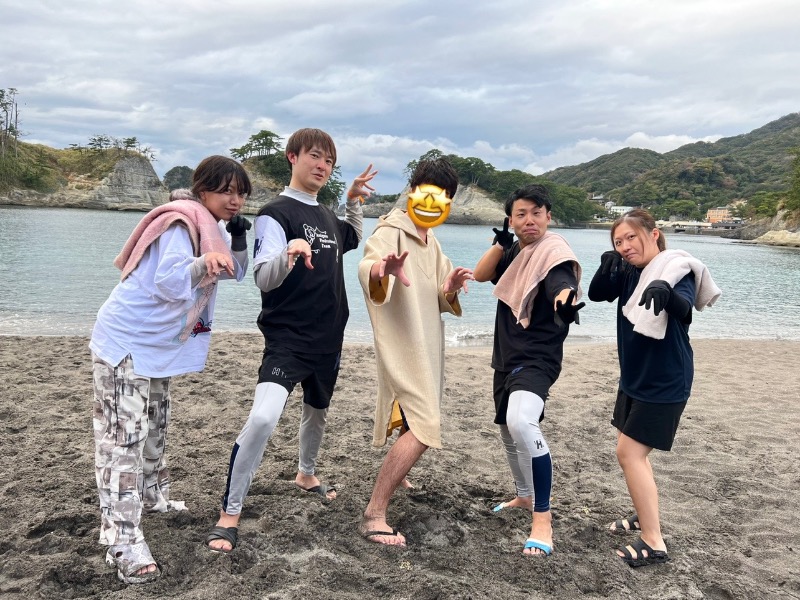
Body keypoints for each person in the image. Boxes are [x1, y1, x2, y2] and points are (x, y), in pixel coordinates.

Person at [206, 128, 377, 553]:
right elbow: (262, 277)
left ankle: (306, 473)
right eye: (315, 157)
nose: (322, 166)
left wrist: (353, 199)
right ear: (293, 157)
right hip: (287, 338)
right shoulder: (274, 214)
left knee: (317, 411)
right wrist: (289, 253)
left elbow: (352, 237)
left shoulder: (327, 216)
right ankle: (230, 513)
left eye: (330, 162)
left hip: (329, 337)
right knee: (264, 418)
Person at [90, 155, 253, 584]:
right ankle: (121, 539)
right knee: (122, 439)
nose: (234, 200)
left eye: (240, 193)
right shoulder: (182, 224)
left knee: (156, 425)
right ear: (203, 191)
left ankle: (151, 496)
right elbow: (168, 280)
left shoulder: (210, 227)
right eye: (226, 191)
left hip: (158, 346)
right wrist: (204, 264)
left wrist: (236, 240)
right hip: (127, 342)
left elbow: (234, 272)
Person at [587, 208, 721, 567]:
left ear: (654, 234)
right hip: (634, 376)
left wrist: (666, 291)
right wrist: (606, 266)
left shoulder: (677, 266)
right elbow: (599, 294)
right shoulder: (629, 270)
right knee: (628, 451)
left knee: (630, 454)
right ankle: (642, 514)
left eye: (631, 237)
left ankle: (653, 540)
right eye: (618, 241)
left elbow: (684, 310)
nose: (625, 245)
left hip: (665, 378)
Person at [357, 157, 474, 547]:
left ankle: (399, 473)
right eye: (425, 193)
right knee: (426, 426)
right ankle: (374, 512)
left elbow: (438, 294)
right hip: (403, 342)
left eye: (441, 198)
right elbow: (369, 262)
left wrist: (451, 287)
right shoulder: (392, 230)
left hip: (426, 343)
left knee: (414, 414)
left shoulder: (432, 240)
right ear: (412, 192)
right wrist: (380, 271)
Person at [473, 183, 584, 557]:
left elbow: (561, 284)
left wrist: (566, 301)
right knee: (507, 428)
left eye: (537, 213)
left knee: (523, 422)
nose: (529, 220)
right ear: (511, 219)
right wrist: (502, 242)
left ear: (548, 216)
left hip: (537, 357)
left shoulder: (552, 253)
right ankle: (523, 496)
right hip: (506, 356)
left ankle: (542, 519)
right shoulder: (517, 253)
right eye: (520, 214)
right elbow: (480, 273)